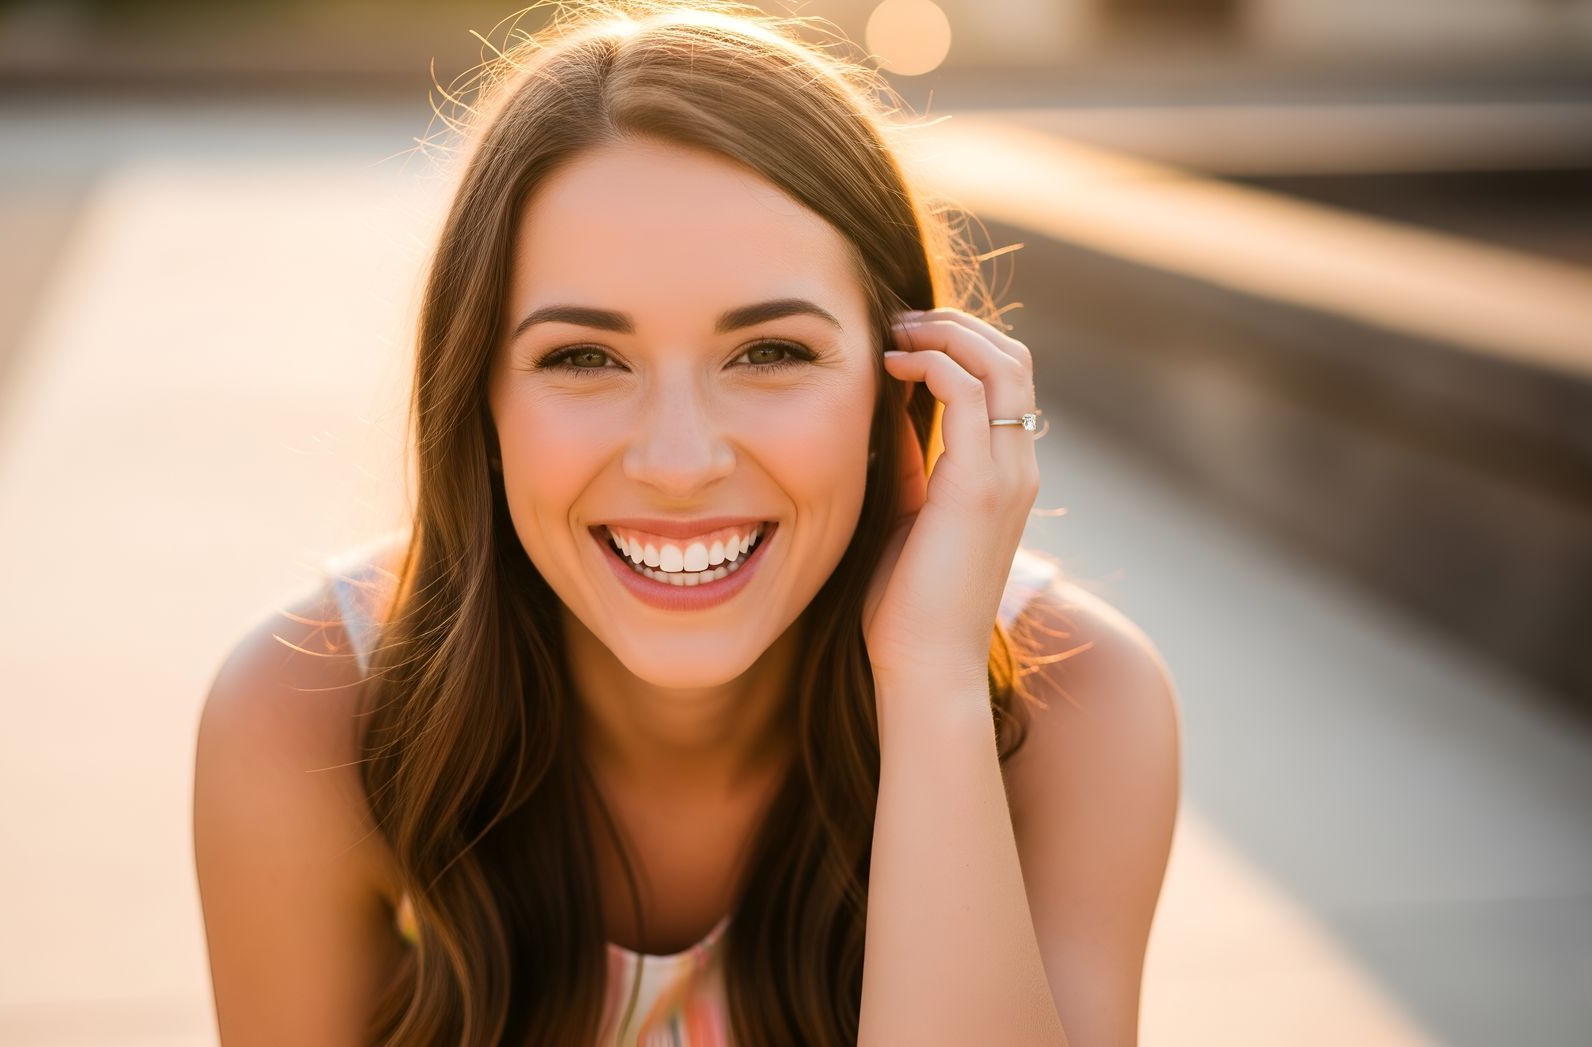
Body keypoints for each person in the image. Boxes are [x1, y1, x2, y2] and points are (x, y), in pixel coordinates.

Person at [192, 2, 1181, 1044]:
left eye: (770, 354)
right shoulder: (310, 718)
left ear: (901, 394)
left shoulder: (1075, 710)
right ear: (480, 399)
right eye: (582, 358)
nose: (678, 463)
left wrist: (931, 687)